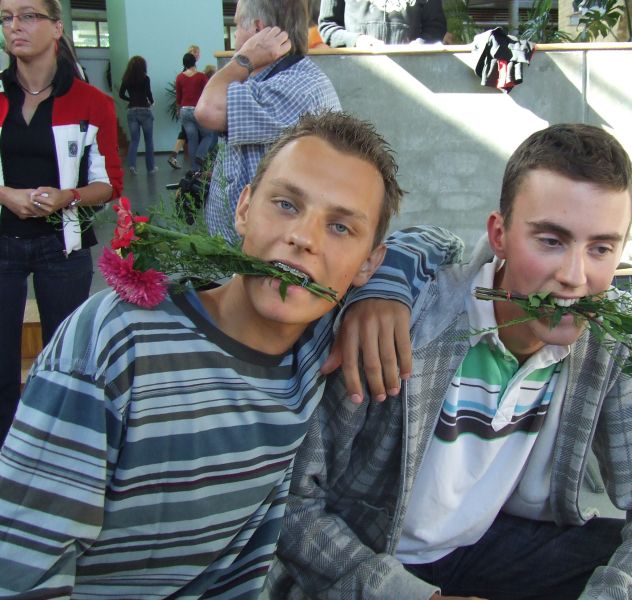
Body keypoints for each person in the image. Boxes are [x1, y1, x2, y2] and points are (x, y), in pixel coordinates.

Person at [0, 111, 463, 597]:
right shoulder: (117, 341)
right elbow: (20, 571)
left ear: (368, 263)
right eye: (285, 204)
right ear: (243, 208)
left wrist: (385, 292)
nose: (303, 237)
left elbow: (441, 241)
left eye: (341, 228)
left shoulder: (315, 344)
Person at [275, 124, 632, 599]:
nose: (574, 276)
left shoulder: (610, 341)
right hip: (374, 555)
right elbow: (293, 506)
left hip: (482, 546)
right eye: (551, 241)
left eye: (601, 248)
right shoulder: (405, 320)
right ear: (499, 234)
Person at [0, 0, 122, 445]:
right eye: (6, 17)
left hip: (62, 247)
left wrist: (67, 196)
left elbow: (109, 183)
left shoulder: (92, 102)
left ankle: (56, 449)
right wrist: (6, 195)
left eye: (28, 15)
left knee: (64, 360)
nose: (15, 26)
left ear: (56, 28)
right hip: (3, 242)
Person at [196, 0, 340, 244]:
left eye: (238, 26)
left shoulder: (295, 86)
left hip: (264, 254)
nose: (235, 37)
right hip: (245, 249)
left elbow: (208, 110)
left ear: (258, 29)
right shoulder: (275, 80)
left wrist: (244, 58)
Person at [318, 0, 447, 48]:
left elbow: (436, 26)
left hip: (413, 74)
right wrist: (357, 41)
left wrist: (420, 46)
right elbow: (327, 26)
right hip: (355, 75)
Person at [175, 51, 215, 172]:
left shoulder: (179, 77)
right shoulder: (201, 76)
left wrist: (178, 110)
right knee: (208, 135)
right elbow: (208, 92)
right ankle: (200, 157)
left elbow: (178, 97)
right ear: (195, 62)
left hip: (184, 111)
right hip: (197, 110)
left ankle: (195, 169)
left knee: (192, 139)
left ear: (184, 64)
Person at [119, 55, 156, 175]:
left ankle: (132, 166)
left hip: (132, 111)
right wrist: (152, 102)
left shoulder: (126, 79)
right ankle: (150, 168)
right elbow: (148, 93)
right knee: (148, 141)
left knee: (134, 140)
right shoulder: (145, 78)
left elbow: (121, 94)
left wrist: (130, 99)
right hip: (145, 110)